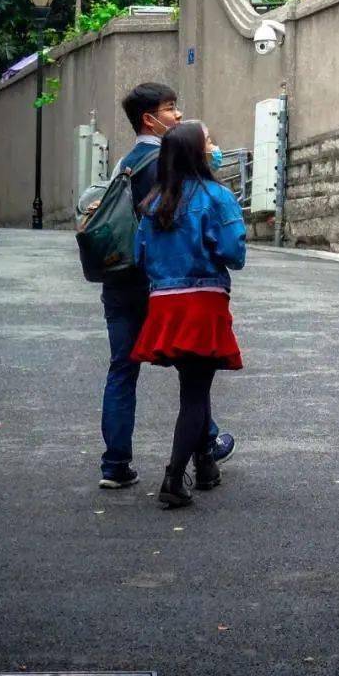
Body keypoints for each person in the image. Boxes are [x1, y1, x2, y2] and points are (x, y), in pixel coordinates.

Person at [98, 83, 236, 489]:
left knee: (122, 369)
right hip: (163, 285)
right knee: (194, 371)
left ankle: (115, 464)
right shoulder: (168, 161)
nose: (177, 116)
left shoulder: (123, 163)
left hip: (118, 281)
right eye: (171, 109)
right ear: (150, 118)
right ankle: (203, 450)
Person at [130, 120, 247, 508]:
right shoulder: (217, 197)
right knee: (195, 392)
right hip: (203, 300)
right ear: (198, 152)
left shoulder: (152, 202)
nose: (214, 145)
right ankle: (174, 476)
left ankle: (206, 463)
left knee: (195, 384)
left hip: (164, 302)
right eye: (208, 140)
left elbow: (139, 257)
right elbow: (235, 253)